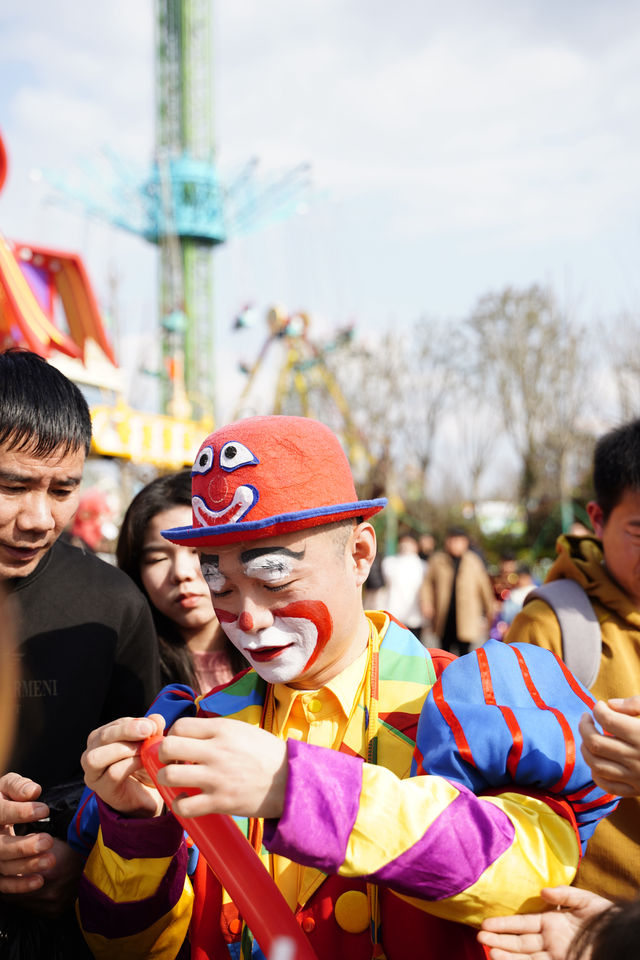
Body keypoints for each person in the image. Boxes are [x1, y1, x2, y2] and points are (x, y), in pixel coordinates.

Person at [76, 415, 616, 960]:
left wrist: (300, 789)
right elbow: (126, 949)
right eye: (223, 587)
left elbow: (536, 876)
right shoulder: (199, 724)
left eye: (274, 580)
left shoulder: (465, 698)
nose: (249, 618)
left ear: (360, 554)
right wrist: (138, 830)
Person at [0, 349, 160, 958]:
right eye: (13, 485)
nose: (39, 518)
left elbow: (146, 784)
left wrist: (87, 863)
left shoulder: (111, 604)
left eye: (63, 489)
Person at [504, 417, 640, 901]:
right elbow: (504, 794)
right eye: (639, 531)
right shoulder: (552, 626)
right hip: (588, 922)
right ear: (598, 519)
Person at [116, 470, 246, 693]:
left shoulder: (281, 657)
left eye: (198, 551)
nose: (181, 573)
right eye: (157, 559)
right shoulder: (120, 669)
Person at [420, 526, 496, 655]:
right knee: (444, 651)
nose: (454, 544)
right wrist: (426, 603)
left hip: (466, 615)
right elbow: (427, 584)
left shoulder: (473, 561)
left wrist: (490, 609)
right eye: (451, 540)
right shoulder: (437, 560)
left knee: (465, 652)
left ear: (465, 542)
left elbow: (484, 586)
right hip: (444, 614)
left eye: (458, 541)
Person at [380, 533, 425, 637]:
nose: (405, 546)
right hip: (393, 613)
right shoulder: (389, 563)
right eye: (403, 542)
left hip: (415, 615)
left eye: (409, 543)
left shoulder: (423, 566)